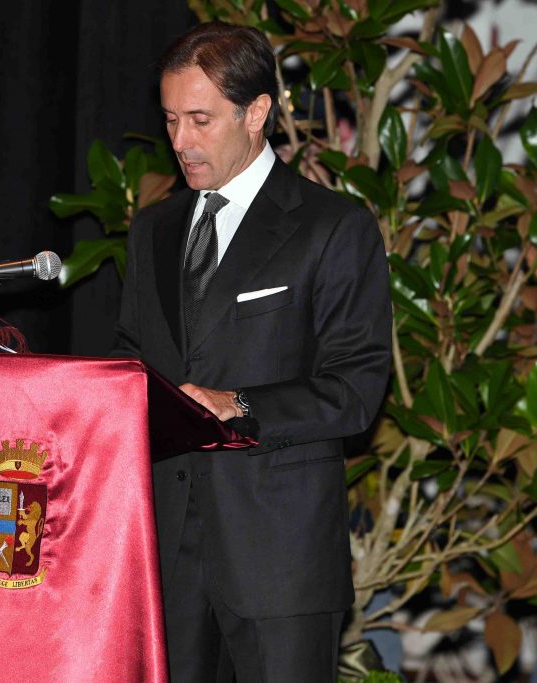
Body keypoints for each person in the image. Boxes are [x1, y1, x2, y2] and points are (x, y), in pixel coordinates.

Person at [112, 21, 392, 682]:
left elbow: (355, 389)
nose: (180, 141)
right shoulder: (153, 230)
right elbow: (131, 360)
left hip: (280, 560)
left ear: (258, 112)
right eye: (170, 120)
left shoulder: (333, 226)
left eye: (200, 120)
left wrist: (239, 403)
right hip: (165, 557)